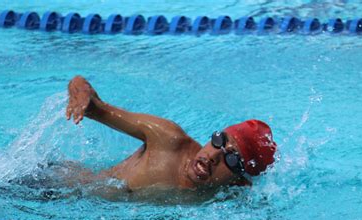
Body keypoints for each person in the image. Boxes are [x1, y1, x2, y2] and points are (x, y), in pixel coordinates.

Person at [64, 75, 277, 201]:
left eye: (231, 159)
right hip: (64, 187)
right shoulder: (167, 139)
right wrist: (81, 92)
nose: (213, 155)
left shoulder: (226, 194)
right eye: (219, 140)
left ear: (238, 181)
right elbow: (94, 106)